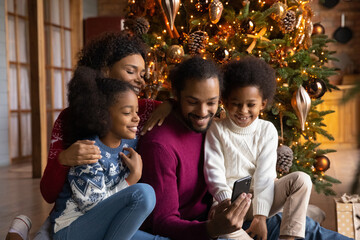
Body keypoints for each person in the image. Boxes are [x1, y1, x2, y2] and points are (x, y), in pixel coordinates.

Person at [6, 31, 172, 240]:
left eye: (142, 74)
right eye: (131, 71)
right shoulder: (73, 119)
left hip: (122, 215)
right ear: (105, 70)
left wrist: (171, 104)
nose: (141, 81)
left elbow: (192, 108)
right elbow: (50, 194)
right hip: (76, 217)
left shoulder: (146, 110)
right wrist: (63, 159)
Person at [137, 56, 253, 240]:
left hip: (216, 214)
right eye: (192, 102)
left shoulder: (213, 128)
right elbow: (162, 223)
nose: (202, 112)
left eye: (211, 102)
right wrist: (213, 228)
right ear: (177, 95)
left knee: (307, 227)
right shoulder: (159, 146)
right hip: (193, 230)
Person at [204, 56, 312, 240]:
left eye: (251, 105)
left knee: (302, 180)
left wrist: (260, 217)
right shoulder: (216, 129)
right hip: (228, 205)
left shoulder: (267, 130)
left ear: (262, 104)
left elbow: (264, 177)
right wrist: (225, 202)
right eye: (236, 104)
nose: (243, 111)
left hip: (259, 200)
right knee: (225, 232)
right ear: (226, 102)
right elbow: (213, 171)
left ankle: (288, 237)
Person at [50, 67, 155, 240]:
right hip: (71, 230)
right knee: (144, 194)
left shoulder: (130, 143)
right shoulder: (88, 152)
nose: (136, 118)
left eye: (136, 111)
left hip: (105, 227)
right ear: (103, 116)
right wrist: (132, 180)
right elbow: (93, 207)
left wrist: (170, 104)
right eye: (128, 113)